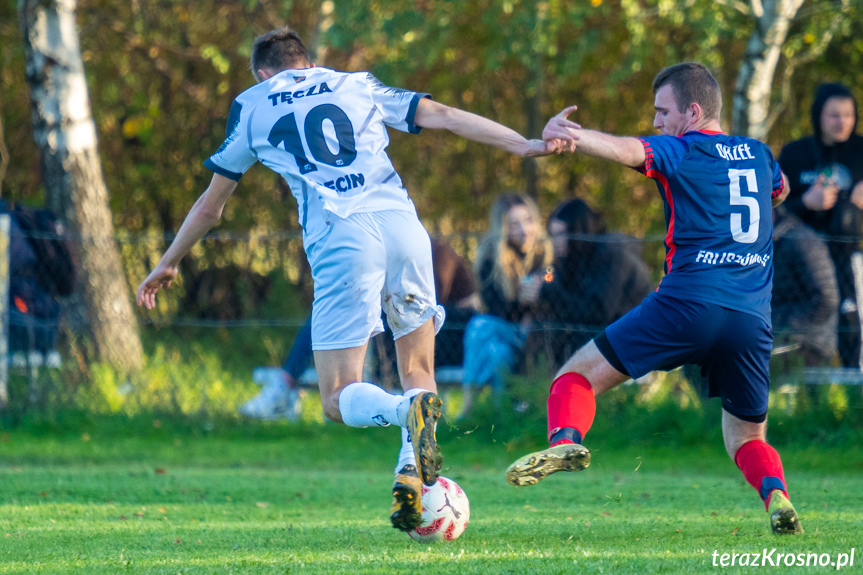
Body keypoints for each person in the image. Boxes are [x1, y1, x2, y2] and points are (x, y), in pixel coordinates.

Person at [135, 28, 559, 531]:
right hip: (404, 229)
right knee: (417, 372)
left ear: (265, 73)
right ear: (307, 62)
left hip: (344, 236)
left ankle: (406, 418)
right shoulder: (356, 84)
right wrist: (524, 144)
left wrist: (169, 260)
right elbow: (442, 114)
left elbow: (211, 205)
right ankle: (411, 475)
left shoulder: (253, 104)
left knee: (337, 396)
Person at [506, 62, 804, 535]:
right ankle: (776, 495)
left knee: (574, 377)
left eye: (662, 111)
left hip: (687, 306)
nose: (656, 122)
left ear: (692, 110)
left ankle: (565, 439)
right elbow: (780, 189)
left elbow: (628, 149)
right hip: (750, 321)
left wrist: (572, 135)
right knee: (746, 436)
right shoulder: (759, 154)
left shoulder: (682, 149)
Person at [778, 83, 863, 368]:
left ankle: (853, 388)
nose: (842, 122)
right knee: (811, 321)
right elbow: (772, 209)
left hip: (852, 254)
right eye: (834, 116)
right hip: (803, 260)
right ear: (818, 117)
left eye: (849, 115)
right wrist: (807, 202)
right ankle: (807, 387)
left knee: (852, 317)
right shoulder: (794, 154)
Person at [459, 194, 553, 418]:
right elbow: (497, 310)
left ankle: (468, 408)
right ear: (502, 228)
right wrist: (521, 299)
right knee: (495, 349)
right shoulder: (490, 259)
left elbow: (554, 298)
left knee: (480, 326)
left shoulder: (546, 255)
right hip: (504, 334)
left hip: (536, 336)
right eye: (514, 224)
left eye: (528, 221)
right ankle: (505, 416)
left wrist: (540, 293)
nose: (524, 229)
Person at [537, 198, 652, 367]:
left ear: (578, 231)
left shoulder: (611, 254)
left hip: (629, 340)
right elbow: (555, 283)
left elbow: (598, 312)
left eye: (562, 234)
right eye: (553, 235)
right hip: (602, 337)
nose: (556, 242)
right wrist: (545, 285)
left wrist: (547, 291)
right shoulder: (569, 259)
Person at [772, 205, 839, 367]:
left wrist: (781, 325)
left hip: (809, 346)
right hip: (778, 341)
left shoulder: (802, 240)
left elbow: (827, 299)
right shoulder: (766, 244)